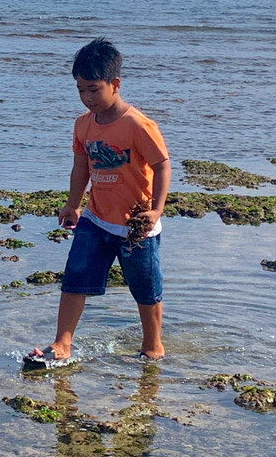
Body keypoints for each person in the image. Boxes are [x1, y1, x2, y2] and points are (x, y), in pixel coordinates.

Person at [28, 38, 170, 366]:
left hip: (136, 223)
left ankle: (153, 345)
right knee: (75, 274)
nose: (87, 98)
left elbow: (162, 165)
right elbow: (81, 167)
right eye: (80, 90)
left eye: (93, 89)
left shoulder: (137, 125)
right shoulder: (83, 125)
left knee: (145, 287)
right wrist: (73, 204)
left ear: (114, 84)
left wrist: (156, 210)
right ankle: (62, 343)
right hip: (95, 217)